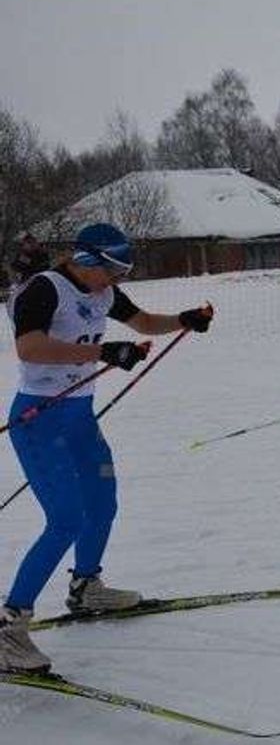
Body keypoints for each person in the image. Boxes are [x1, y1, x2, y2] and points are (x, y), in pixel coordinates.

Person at [0, 223, 214, 674]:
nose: (118, 280)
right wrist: (102, 354)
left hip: (78, 418)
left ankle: (86, 587)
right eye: (114, 270)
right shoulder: (46, 288)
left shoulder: (104, 293)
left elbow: (140, 322)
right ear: (89, 260)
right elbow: (30, 348)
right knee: (65, 520)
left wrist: (183, 319)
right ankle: (8, 628)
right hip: (39, 419)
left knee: (102, 503)